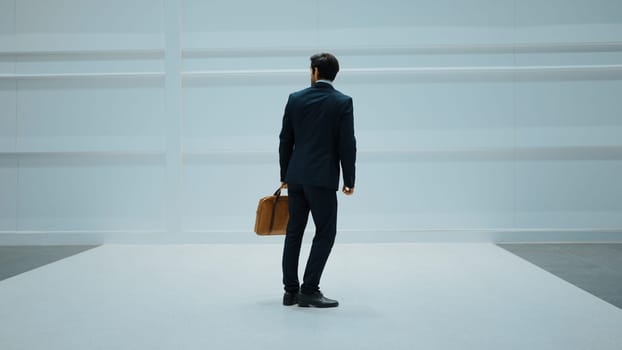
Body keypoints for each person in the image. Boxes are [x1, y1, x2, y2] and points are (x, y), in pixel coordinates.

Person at [278, 53, 357, 308]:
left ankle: (290, 292)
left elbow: (285, 141)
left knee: (294, 232)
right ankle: (309, 289)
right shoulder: (342, 102)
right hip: (322, 179)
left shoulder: (295, 99)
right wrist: (349, 178)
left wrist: (284, 176)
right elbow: (347, 144)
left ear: (314, 72)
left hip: (296, 177)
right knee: (325, 232)